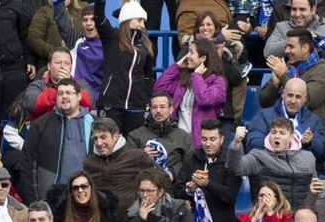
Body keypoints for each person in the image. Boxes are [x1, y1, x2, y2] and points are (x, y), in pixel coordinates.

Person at [11, 78, 95, 204]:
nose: (64, 96)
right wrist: (34, 201)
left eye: (69, 93)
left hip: (86, 198)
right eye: (60, 93)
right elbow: (28, 165)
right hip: (50, 200)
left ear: (78, 96)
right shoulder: (40, 124)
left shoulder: (94, 124)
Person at [92, 0, 155, 135]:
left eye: (143, 21)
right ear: (128, 18)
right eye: (139, 20)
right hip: (111, 104)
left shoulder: (146, 45)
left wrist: (145, 99)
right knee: (109, 146)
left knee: (133, 149)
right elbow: (99, 18)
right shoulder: (112, 36)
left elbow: (148, 76)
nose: (142, 25)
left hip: (136, 107)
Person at [153, 38, 227, 148]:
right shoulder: (184, 79)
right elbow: (159, 88)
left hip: (201, 142)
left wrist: (197, 76)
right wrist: (177, 66)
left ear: (203, 58)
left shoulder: (218, 81)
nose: (187, 56)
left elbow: (205, 99)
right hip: (178, 139)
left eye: (191, 52)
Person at [261, 29, 325, 133]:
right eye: (286, 46)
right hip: (279, 129)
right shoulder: (287, 68)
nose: (286, 51)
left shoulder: (323, 71)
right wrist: (274, 85)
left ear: (305, 48)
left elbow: (307, 101)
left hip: (310, 131)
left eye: (291, 47)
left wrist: (283, 76)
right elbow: (264, 102)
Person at [83, 117, 157, 217]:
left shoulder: (137, 156)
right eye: (96, 138)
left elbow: (159, 179)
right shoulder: (89, 163)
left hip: (131, 219)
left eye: (103, 137)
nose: (99, 143)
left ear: (115, 136)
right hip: (100, 221)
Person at [246, 77, 325, 162]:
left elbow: (320, 152)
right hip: (269, 167)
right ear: (283, 94)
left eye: (298, 97)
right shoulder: (264, 115)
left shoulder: (314, 120)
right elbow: (252, 143)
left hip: (300, 170)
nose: (293, 101)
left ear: (304, 99)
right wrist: (276, 141)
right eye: (290, 95)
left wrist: (310, 143)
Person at [125, 92, 194, 179]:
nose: (158, 111)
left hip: (173, 187)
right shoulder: (135, 135)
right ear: (150, 109)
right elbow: (126, 163)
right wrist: (140, 155)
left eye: (162, 107)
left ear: (171, 109)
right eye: (154, 107)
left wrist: (173, 173)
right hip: (143, 186)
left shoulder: (183, 136)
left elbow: (190, 164)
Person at [16, 48, 92, 124]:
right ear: (49, 66)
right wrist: (60, 88)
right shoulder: (38, 85)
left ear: (71, 67)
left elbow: (89, 104)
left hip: (73, 130)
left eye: (67, 63)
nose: (63, 66)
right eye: (58, 62)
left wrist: (68, 85)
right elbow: (32, 104)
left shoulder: (81, 84)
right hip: (44, 131)